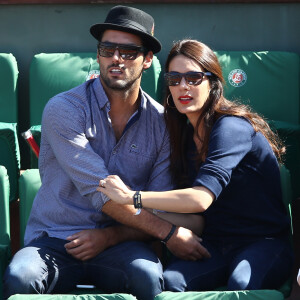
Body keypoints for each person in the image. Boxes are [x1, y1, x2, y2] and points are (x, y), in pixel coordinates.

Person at [3, 9, 209, 300]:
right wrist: (170, 234)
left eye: (128, 52)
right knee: (19, 277)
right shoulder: (64, 109)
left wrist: (110, 236)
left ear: (147, 59)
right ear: (98, 55)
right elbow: (101, 191)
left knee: (148, 276)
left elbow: (158, 205)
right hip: (55, 239)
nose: (116, 58)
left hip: (122, 241)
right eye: (107, 49)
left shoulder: (163, 123)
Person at [98, 39, 294, 292]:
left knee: (242, 285)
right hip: (213, 244)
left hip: (262, 243)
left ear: (213, 83)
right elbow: (198, 220)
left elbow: (201, 199)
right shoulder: (183, 136)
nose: (182, 87)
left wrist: (131, 198)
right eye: (174, 79)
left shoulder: (230, 128)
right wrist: (141, 220)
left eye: (193, 78)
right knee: (169, 283)